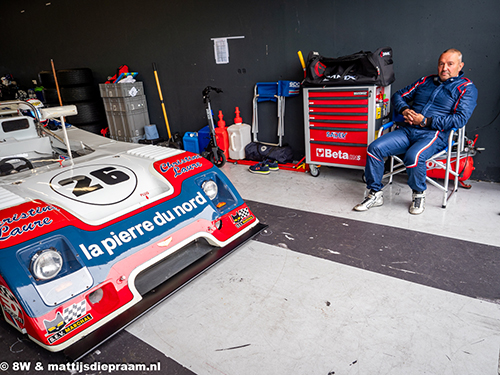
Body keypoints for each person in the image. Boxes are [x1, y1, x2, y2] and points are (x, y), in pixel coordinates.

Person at [353, 48, 478, 214]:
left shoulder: (467, 88)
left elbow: (460, 119)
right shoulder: (425, 81)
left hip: (435, 134)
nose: (444, 68)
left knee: (414, 156)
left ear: (460, 66)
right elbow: (398, 96)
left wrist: (426, 121)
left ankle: (419, 194)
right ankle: (375, 193)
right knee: (374, 148)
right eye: (441, 64)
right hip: (408, 130)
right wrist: (405, 110)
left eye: (450, 64)